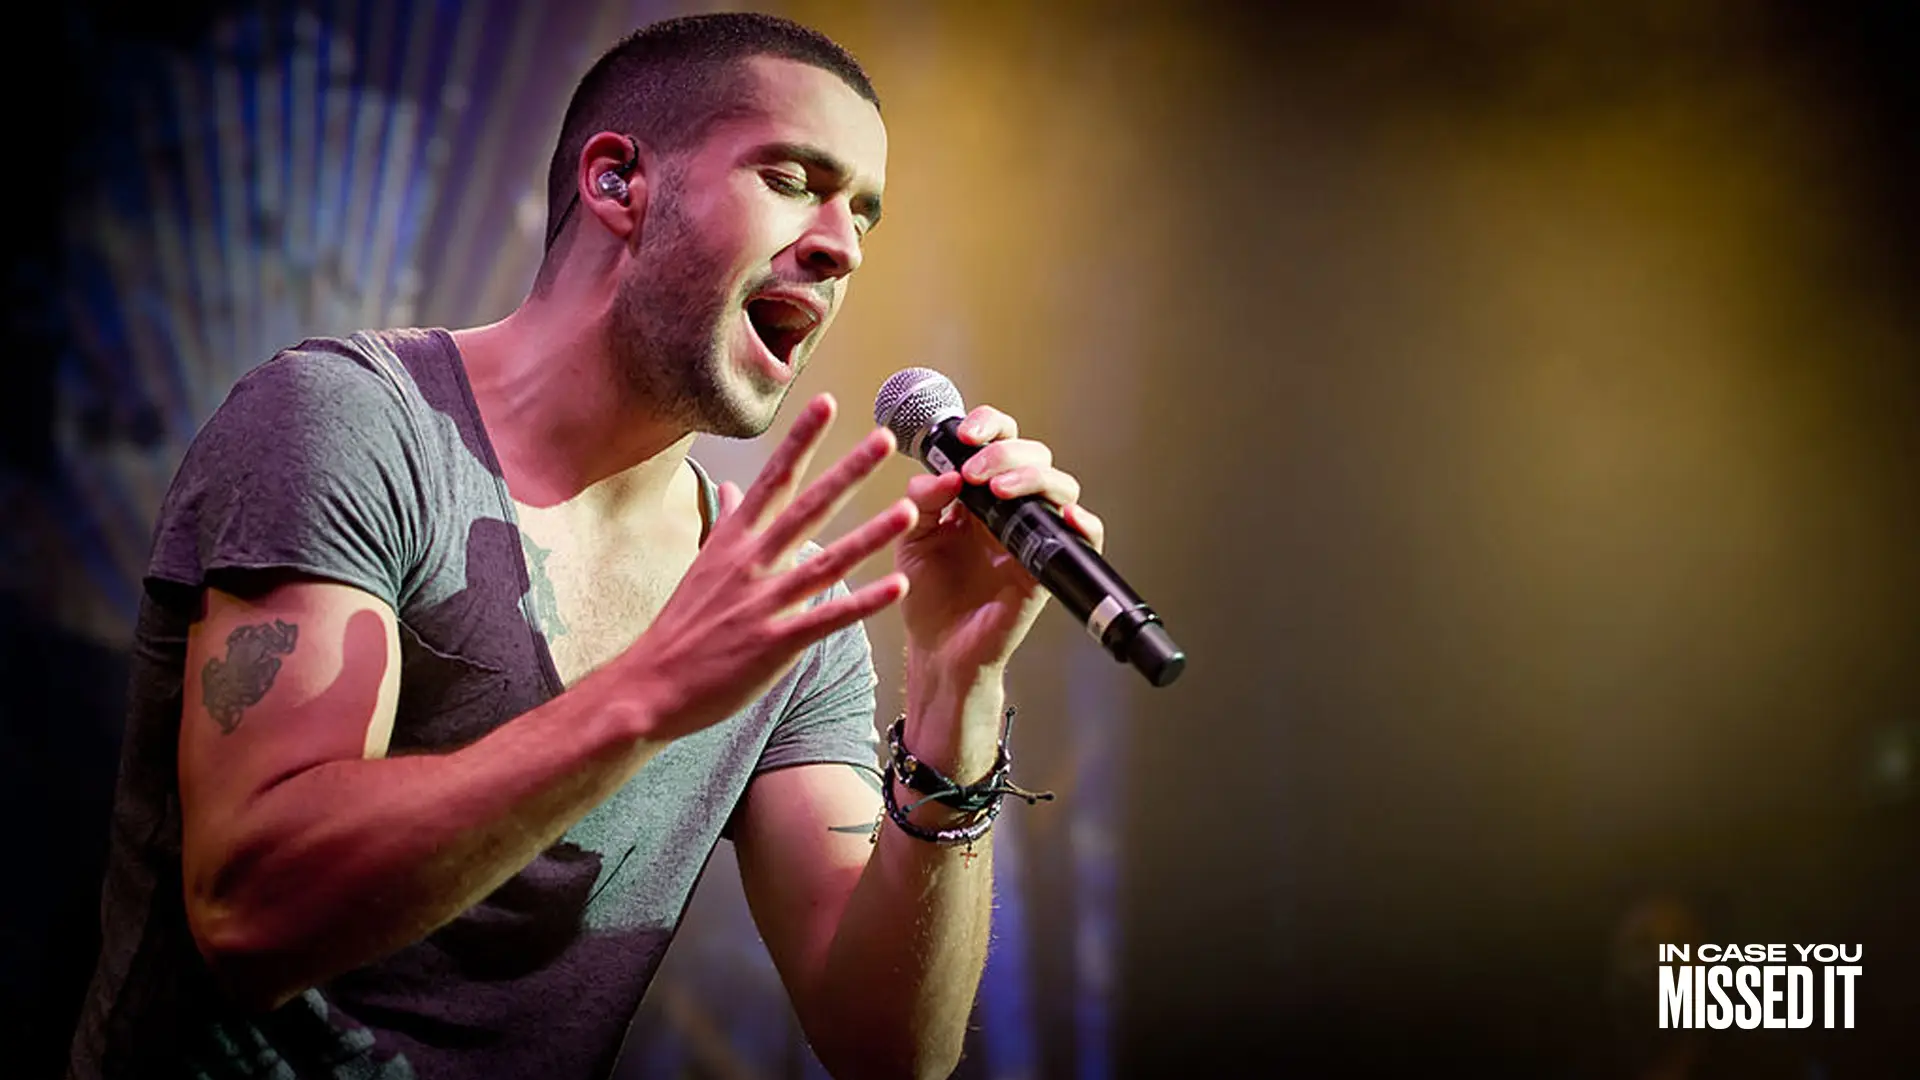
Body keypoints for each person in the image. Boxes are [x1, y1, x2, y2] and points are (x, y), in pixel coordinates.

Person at [67, 12, 1105, 1079]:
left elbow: (892, 1048)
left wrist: (953, 685)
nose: (841, 246)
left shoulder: (773, 606)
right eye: (795, 179)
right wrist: (649, 693)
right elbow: (250, 915)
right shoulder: (349, 423)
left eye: (865, 217)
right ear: (617, 183)